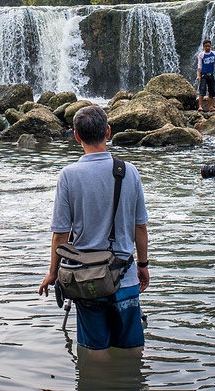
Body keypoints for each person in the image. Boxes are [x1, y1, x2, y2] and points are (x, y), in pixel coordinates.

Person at [38, 105, 150, 358]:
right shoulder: (129, 171)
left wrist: (52, 273)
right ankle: (132, 378)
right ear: (108, 131)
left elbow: (60, 235)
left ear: (76, 136)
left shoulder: (68, 175)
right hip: (125, 275)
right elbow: (140, 226)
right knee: (133, 348)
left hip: (87, 279)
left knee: (96, 351)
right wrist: (143, 265)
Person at [196, 39, 215, 112]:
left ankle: (211, 107)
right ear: (203, 47)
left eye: (209, 46)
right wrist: (198, 76)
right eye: (206, 46)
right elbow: (199, 66)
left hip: (211, 75)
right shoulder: (201, 55)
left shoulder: (213, 53)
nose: (207, 47)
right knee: (202, 90)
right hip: (204, 75)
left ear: (210, 46)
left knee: (212, 90)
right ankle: (200, 106)